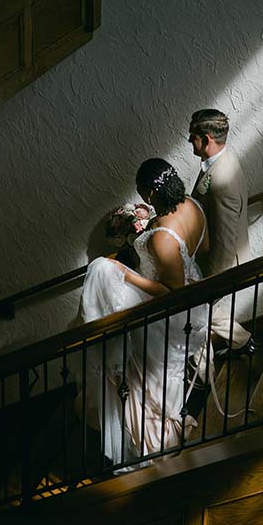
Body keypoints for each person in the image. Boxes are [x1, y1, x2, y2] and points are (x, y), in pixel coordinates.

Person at [78, 159, 211, 468]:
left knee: (145, 377)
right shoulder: (192, 204)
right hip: (195, 297)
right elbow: (202, 249)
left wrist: (125, 272)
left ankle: (157, 442)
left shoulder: (163, 237)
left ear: (151, 192)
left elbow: (173, 292)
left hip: (175, 314)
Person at [188, 109, 256, 357]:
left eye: (192, 136)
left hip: (222, 262)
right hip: (217, 256)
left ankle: (203, 376)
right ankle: (242, 342)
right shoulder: (221, 162)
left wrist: (211, 282)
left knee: (197, 312)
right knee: (203, 312)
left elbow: (225, 238)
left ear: (206, 139)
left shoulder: (222, 180)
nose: (188, 141)